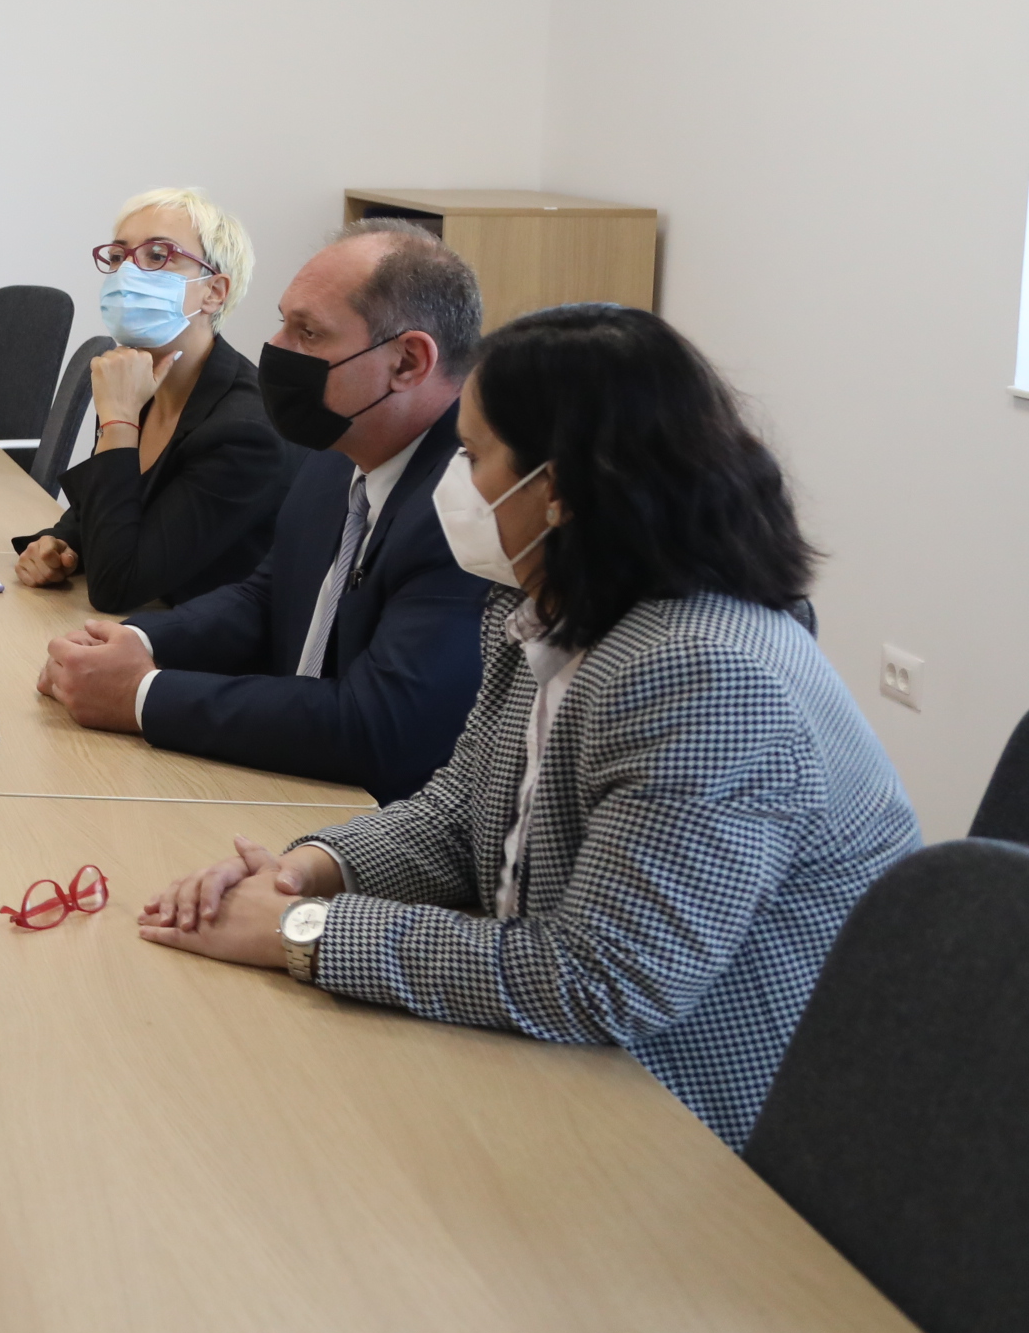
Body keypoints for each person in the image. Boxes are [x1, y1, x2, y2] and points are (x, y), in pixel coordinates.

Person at [135, 304, 917, 1151]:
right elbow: (463, 809)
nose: (454, 484)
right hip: (565, 1067)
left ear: (561, 489)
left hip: (706, 1133)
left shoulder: (705, 675)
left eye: (472, 457)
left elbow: (601, 980)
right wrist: (306, 872)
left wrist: (305, 933)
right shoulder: (547, 607)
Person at [36, 219, 490, 801]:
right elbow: (266, 598)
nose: (275, 347)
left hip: (381, 821)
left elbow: (378, 726)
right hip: (287, 787)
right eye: (283, 322)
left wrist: (141, 695)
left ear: (407, 362)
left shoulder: (471, 506)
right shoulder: (337, 453)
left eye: (308, 332)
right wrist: (138, 642)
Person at [12, 187, 292, 613]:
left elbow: (117, 588)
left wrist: (118, 421)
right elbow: (106, 509)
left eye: (159, 255)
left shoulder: (244, 433)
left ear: (214, 291)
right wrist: (62, 543)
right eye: (119, 256)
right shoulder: (140, 378)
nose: (128, 272)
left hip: (207, 642)